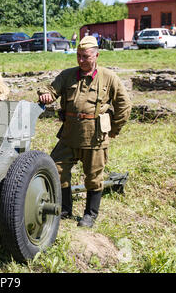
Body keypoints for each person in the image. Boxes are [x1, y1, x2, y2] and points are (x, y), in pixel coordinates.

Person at [37, 36, 132, 228]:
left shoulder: (108, 77)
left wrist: (114, 129)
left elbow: (124, 104)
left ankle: (90, 215)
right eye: (78, 56)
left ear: (96, 55)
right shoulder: (68, 75)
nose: (81, 60)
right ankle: (65, 209)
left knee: (93, 176)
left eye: (85, 56)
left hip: (95, 136)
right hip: (70, 134)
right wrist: (45, 95)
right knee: (56, 168)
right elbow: (49, 90)